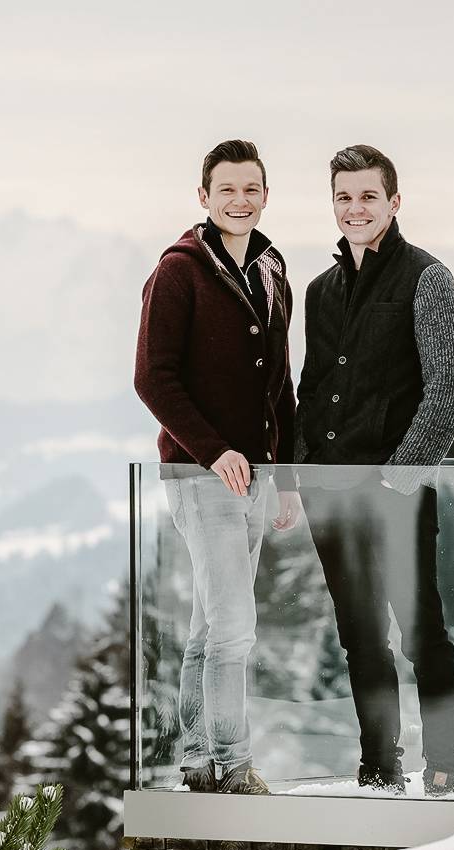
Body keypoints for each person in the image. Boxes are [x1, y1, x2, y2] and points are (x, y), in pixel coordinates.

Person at [296, 145, 454, 797]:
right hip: (331, 495)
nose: (355, 208)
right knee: (361, 637)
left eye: (368, 196)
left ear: (394, 202)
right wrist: (303, 473)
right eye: (344, 197)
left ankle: (445, 763)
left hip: (399, 490)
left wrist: (402, 475)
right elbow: (309, 392)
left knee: (421, 628)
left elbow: (449, 387)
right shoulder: (322, 292)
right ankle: (379, 768)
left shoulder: (428, 279)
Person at [134, 139, 299, 796]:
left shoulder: (271, 268)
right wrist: (215, 451)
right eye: (227, 189)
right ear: (204, 197)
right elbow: (153, 378)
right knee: (234, 625)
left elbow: (280, 384)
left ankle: (198, 763)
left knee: (211, 626)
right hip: (202, 477)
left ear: (265, 195)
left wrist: (284, 476)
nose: (240, 200)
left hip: (257, 477)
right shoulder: (179, 271)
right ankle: (233, 769)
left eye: (251, 188)